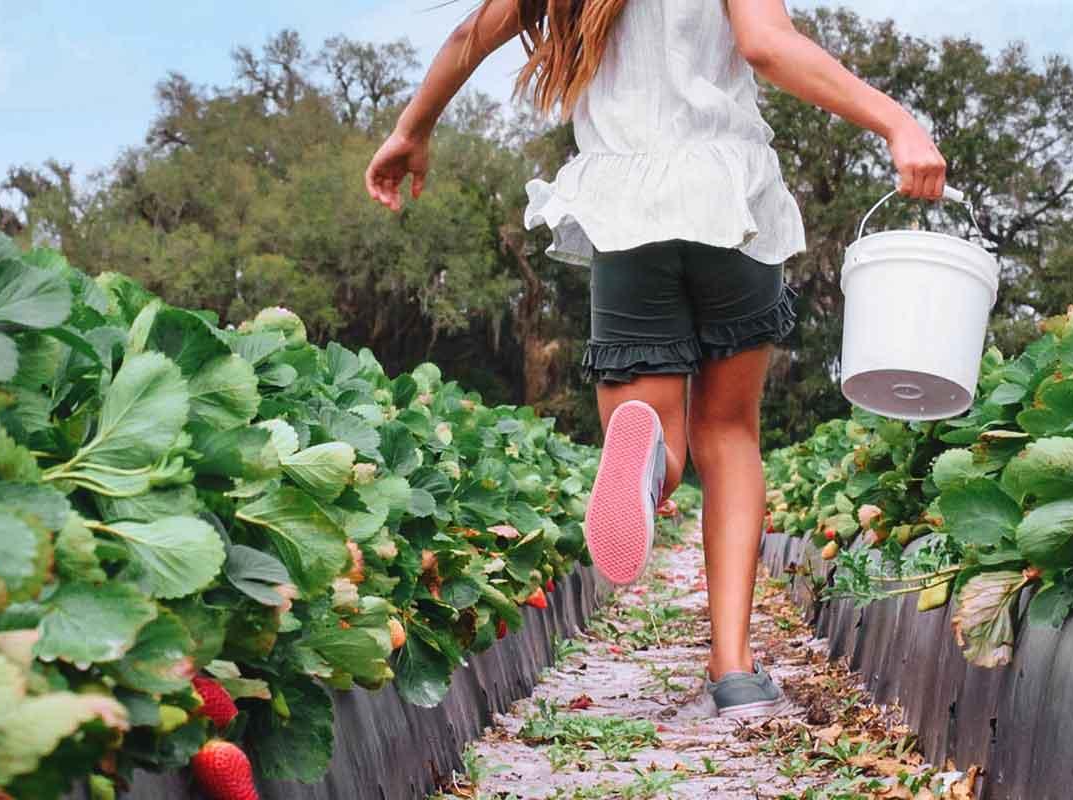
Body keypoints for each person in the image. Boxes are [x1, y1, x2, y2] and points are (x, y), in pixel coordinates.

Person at [364, 0, 944, 720]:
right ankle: (733, 671)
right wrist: (896, 121)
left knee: (656, 444)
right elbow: (766, 46)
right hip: (728, 200)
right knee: (729, 436)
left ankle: (641, 452)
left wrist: (409, 131)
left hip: (628, 211)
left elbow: (467, 36)